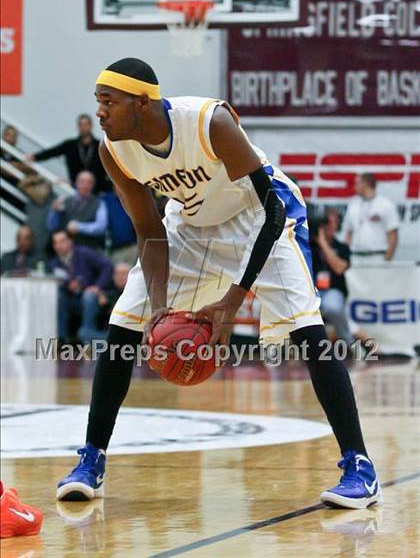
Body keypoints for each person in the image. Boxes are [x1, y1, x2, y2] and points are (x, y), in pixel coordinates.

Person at [57, 58, 381, 509]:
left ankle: (360, 467)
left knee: (310, 334)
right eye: (99, 103)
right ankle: (91, 460)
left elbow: (270, 211)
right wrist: (157, 307)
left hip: (262, 218)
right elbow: (150, 232)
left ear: (143, 101)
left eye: (109, 102)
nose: (100, 113)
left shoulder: (210, 122)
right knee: (122, 328)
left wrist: (231, 302)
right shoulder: (114, 150)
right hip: (190, 226)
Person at [49, 231, 113, 344]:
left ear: (70, 242)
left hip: (92, 297)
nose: (59, 245)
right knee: (58, 296)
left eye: (62, 241)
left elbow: (107, 266)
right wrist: (67, 285)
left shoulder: (84, 253)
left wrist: (97, 286)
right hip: (72, 299)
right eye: (55, 243)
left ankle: (87, 336)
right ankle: (62, 339)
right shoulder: (54, 263)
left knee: (88, 296)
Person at [27, 114, 111, 193]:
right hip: (75, 188)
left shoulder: (100, 146)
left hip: (98, 190)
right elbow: (53, 152)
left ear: (91, 126)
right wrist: (35, 157)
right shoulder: (70, 145)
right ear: (78, 127)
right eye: (81, 125)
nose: (83, 127)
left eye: (86, 124)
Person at [310, 209, 353, 347]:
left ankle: (348, 342)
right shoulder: (309, 246)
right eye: (325, 222)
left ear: (337, 225)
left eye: (331, 222)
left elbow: (339, 268)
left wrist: (323, 243)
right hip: (311, 291)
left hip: (332, 291)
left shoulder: (341, 247)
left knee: (333, 307)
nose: (327, 225)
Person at [342, 173, 399, 263]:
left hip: (377, 256)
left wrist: (387, 258)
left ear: (365, 184)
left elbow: (393, 234)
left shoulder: (385, 204)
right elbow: (349, 233)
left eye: (357, 183)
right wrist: (345, 255)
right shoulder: (353, 204)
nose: (354, 186)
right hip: (355, 256)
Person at [47, 170, 108, 250]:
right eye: (82, 182)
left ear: (93, 185)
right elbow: (51, 227)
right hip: (70, 251)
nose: (85, 186)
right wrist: (54, 211)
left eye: (89, 183)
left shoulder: (99, 203)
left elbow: (101, 227)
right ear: (76, 183)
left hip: (93, 249)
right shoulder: (65, 200)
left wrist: (79, 227)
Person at [19, 171, 55, 260]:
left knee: (40, 253)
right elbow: (22, 185)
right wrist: (38, 178)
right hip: (32, 228)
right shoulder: (31, 197)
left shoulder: (51, 198)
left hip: (44, 231)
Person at [102, 186, 137, 265]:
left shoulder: (131, 199)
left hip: (132, 246)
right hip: (115, 249)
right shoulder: (106, 199)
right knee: (119, 275)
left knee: (134, 274)